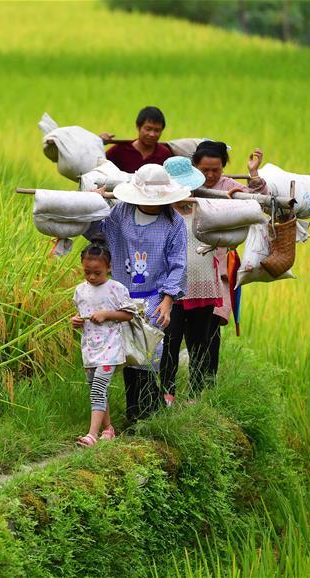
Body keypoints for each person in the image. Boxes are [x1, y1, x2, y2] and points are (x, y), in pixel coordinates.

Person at [158, 143, 268, 401]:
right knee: (170, 340)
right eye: (204, 170)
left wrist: (250, 180)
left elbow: (256, 204)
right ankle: (167, 394)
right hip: (172, 287)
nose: (209, 176)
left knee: (204, 339)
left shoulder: (224, 189)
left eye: (215, 170)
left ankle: (201, 391)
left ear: (223, 167)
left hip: (208, 278)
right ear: (196, 167)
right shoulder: (161, 207)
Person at [86, 163, 189, 423]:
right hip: (122, 295)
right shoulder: (121, 212)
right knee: (127, 352)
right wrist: (93, 205)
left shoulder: (174, 222)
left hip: (154, 295)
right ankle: (139, 411)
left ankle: (144, 410)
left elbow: (178, 264)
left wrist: (167, 302)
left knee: (147, 352)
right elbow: (95, 233)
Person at [70, 239, 134, 447]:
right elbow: (81, 314)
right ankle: (108, 429)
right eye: (87, 271)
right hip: (90, 348)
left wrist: (107, 314)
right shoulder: (80, 290)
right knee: (95, 388)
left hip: (110, 347)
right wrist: (76, 321)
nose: (91, 276)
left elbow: (128, 315)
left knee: (98, 387)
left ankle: (91, 435)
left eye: (97, 272)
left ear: (109, 267)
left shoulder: (116, 288)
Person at [100, 106, 173, 173]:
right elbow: (99, 166)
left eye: (157, 130)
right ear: (138, 127)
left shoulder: (164, 154)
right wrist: (97, 141)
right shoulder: (120, 150)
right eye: (148, 129)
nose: (152, 134)